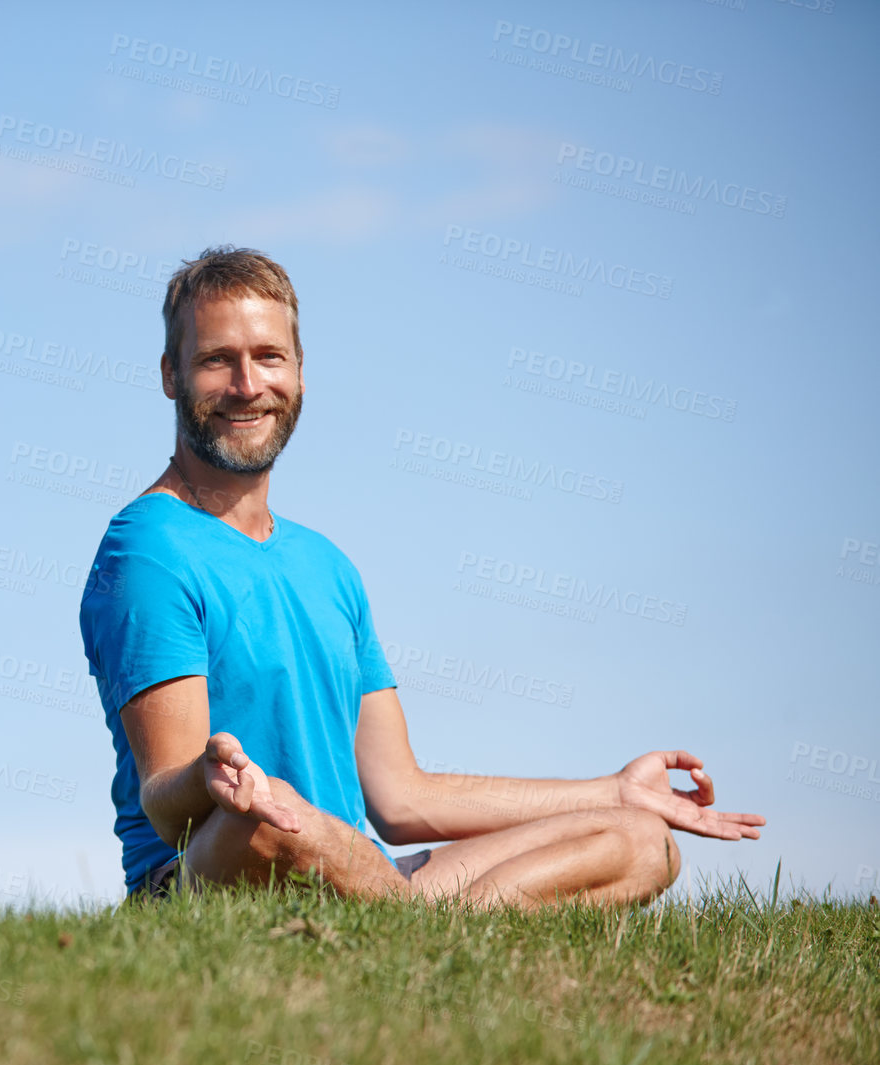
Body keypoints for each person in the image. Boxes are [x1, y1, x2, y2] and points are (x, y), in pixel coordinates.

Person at [78, 246, 765, 908]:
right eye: (216, 361)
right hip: (211, 876)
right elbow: (171, 813)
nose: (248, 385)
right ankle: (405, 919)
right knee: (270, 822)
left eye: (268, 358)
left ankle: (398, 919)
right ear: (171, 375)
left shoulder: (327, 566)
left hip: (353, 871)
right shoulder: (148, 549)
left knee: (641, 843)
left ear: (301, 371)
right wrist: (208, 777)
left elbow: (403, 799)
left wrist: (613, 791)